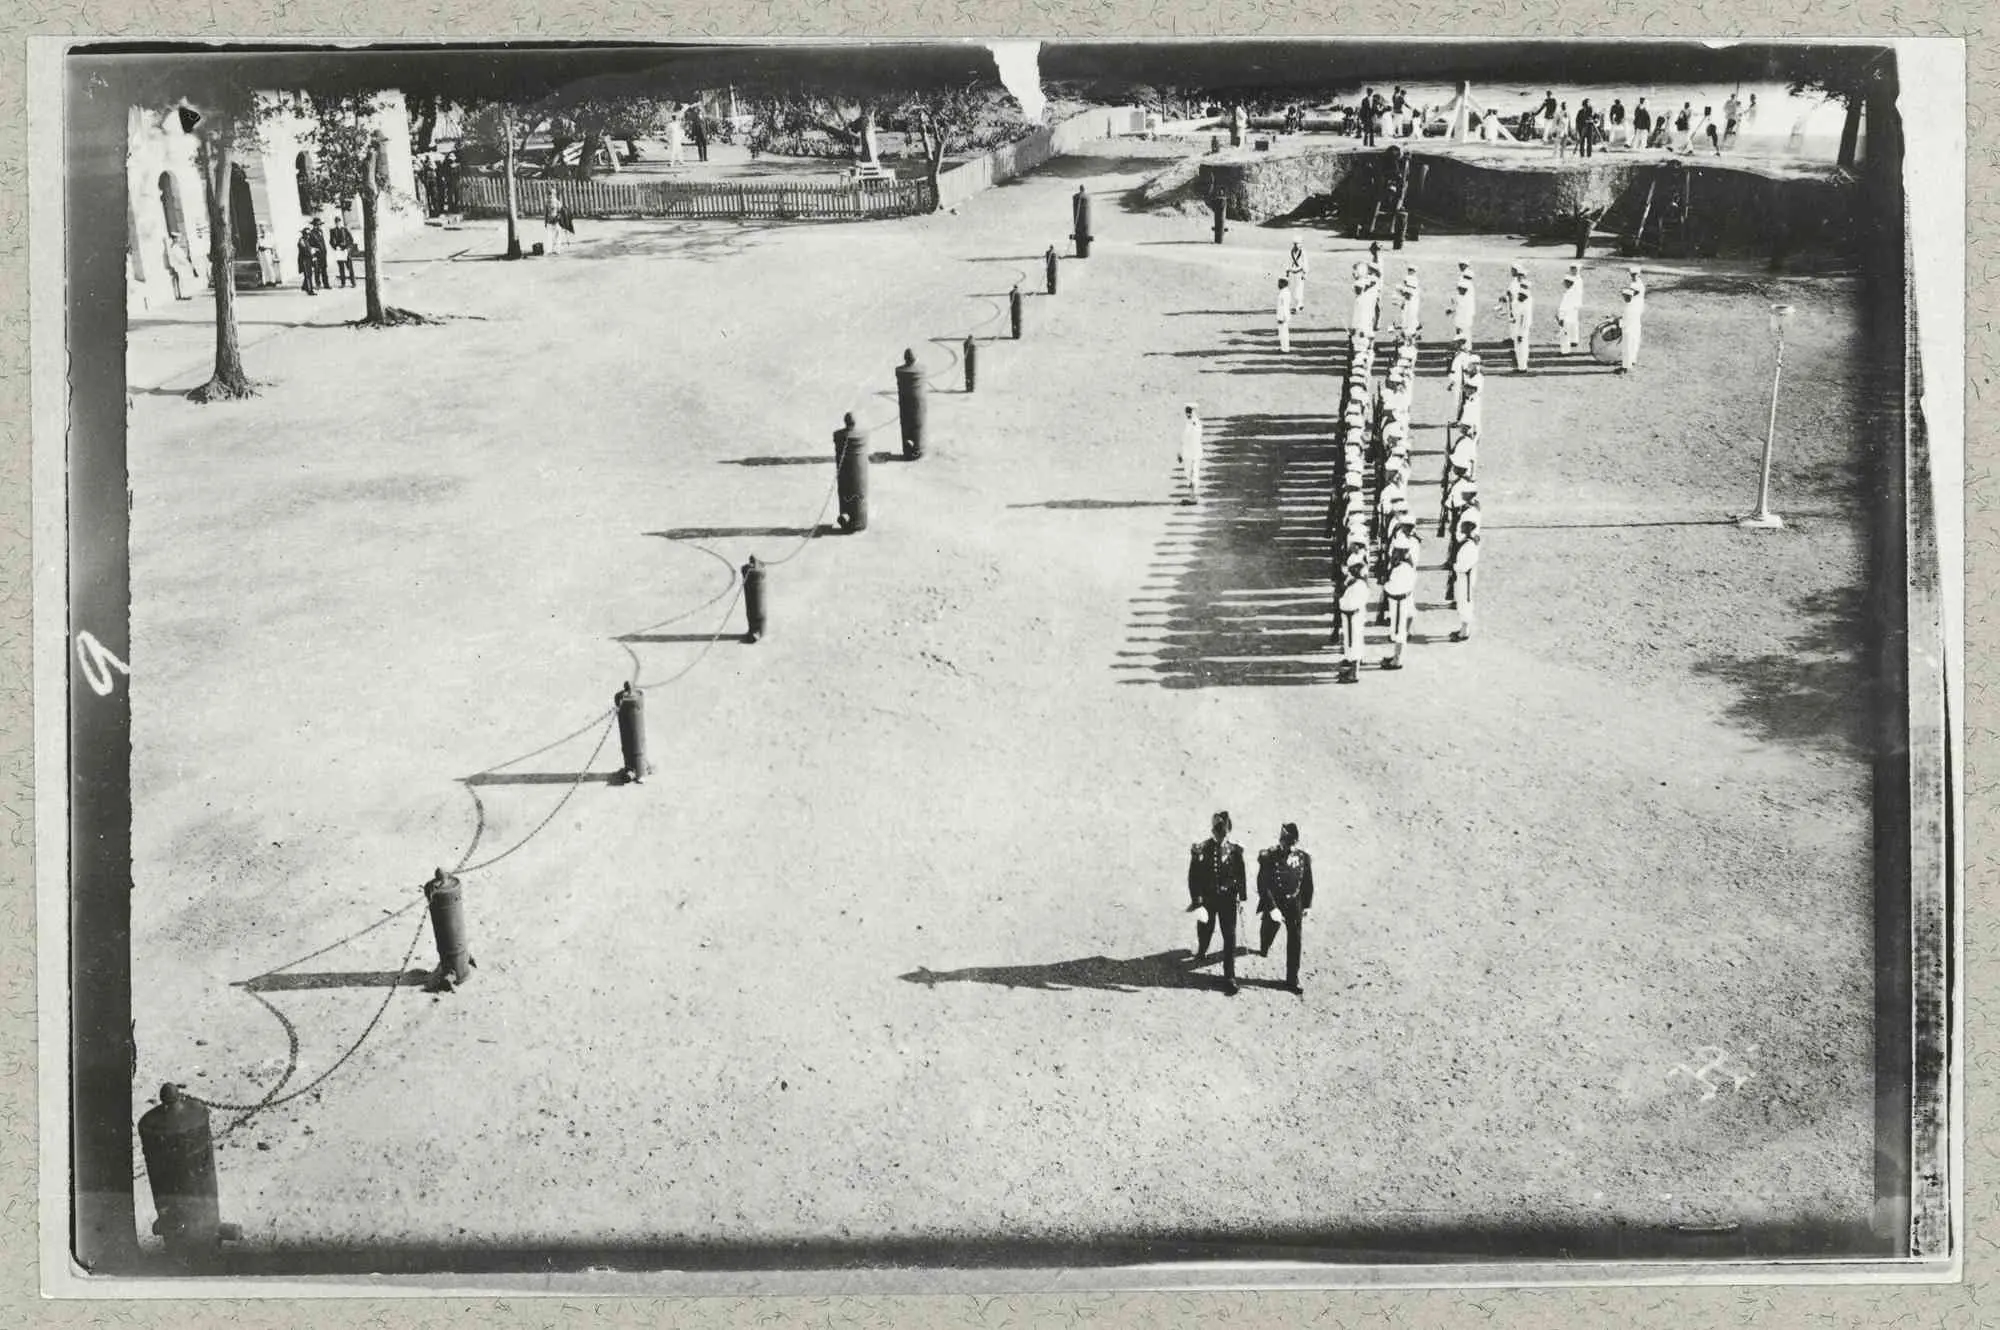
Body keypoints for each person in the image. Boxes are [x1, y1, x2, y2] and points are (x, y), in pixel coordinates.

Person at [1186, 811, 1247, 995]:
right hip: (1209, 899)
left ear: (1229, 832)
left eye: (1224, 833)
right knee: (1206, 928)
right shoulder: (1202, 849)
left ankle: (1230, 976)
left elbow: (1240, 874)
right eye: (1218, 832)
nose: (1221, 837)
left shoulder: (1235, 851)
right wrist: (1197, 902)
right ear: (1213, 831)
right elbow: (1194, 877)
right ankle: (1202, 950)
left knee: (1230, 937)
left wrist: (1242, 897)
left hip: (1228, 900)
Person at [1255, 824, 1315, 994]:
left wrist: (1307, 904)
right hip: (1275, 901)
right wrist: (1272, 908)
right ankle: (1264, 945)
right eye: (1286, 843)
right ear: (1280, 841)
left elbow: (1307, 882)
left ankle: (1292, 979)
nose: (1290, 847)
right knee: (1269, 929)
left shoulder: (1303, 857)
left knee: (1295, 940)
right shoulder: (1269, 856)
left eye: (1292, 843)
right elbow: (1263, 884)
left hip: (1294, 903)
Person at [1449, 510, 1482, 642]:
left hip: (1465, 578)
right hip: (1462, 577)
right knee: (1461, 602)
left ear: (1469, 527)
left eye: (1463, 524)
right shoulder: (1467, 541)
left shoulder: (1469, 545)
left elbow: (1464, 565)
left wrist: (1455, 567)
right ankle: (1463, 629)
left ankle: (1464, 632)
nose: (1461, 526)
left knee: (1465, 603)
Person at [1178, 402, 1204, 504]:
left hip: (1194, 453)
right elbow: (1183, 439)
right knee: (1188, 475)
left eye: (1190, 411)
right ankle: (1192, 496)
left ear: (1194, 411)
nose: (1188, 413)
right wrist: (1181, 453)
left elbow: (1193, 439)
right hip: (1188, 453)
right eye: (1187, 411)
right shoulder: (1188, 423)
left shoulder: (1195, 424)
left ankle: (1193, 497)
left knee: (1193, 475)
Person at [1616, 282, 1643, 373]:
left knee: (1626, 349)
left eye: (1625, 296)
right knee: (1633, 346)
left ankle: (1625, 367)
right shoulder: (1637, 304)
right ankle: (1632, 361)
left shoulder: (1628, 308)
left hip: (1628, 330)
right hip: (1636, 328)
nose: (1624, 298)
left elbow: (1625, 322)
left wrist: (1617, 322)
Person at [1555, 264, 1583, 354]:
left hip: (1566, 316)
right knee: (1569, 330)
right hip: (1570, 314)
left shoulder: (1568, 294)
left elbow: (1564, 307)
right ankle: (1570, 345)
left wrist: (1561, 317)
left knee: (1564, 334)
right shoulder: (1571, 292)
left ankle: (1565, 351)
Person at [329, 215, 358, 288]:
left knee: (350, 267)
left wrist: (347, 248)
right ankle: (343, 283)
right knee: (341, 268)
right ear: (335, 223)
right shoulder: (332, 231)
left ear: (340, 222)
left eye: (339, 222)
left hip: (345, 251)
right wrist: (335, 247)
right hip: (339, 252)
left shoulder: (345, 229)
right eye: (336, 222)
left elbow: (351, 240)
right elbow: (331, 241)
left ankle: (353, 283)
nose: (338, 223)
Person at [1451, 265, 1476, 344]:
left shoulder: (1465, 284)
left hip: (1464, 311)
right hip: (1466, 311)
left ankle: (1464, 345)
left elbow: (1460, 294)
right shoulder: (1470, 285)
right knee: (1465, 329)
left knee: (1462, 328)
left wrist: (1454, 305)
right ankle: (1466, 345)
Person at [307, 217, 330, 291]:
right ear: (315, 225)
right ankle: (318, 284)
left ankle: (326, 284)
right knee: (317, 269)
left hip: (323, 253)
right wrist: (314, 250)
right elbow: (309, 245)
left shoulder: (321, 232)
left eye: (320, 224)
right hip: (316, 254)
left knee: (324, 269)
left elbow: (322, 243)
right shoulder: (311, 233)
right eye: (319, 225)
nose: (320, 226)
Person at [1285, 241, 1309, 312]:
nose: (1296, 246)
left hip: (1299, 273)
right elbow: (1287, 262)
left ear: (1300, 245)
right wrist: (1287, 271)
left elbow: (1305, 263)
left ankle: (1298, 305)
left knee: (1299, 289)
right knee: (1293, 289)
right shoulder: (1291, 252)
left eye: (1298, 244)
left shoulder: (1303, 253)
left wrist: (1305, 273)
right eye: (1295, 244)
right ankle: (1300, 304)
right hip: (1292, 273)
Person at [544, 187, 567, 254]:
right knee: (549, 236)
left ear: (554, 195)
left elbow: (561, 212)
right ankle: (549, 249)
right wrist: (545, 222)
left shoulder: (557, 202)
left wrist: (558, 218)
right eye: (549, 194)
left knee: (558, 236)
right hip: (549, 221)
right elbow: (545, 213)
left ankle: (557, 249)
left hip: (557, 221)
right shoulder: (547, 203)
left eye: (551, 194)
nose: (550, 196)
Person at [296, 225, 318, 296]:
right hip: (304, 260)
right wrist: (312, 254)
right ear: (304, 234)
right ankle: (310, 290)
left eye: (309, 234)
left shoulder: (306, 240)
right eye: (307, 234)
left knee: (309, 274)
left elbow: (308, 248)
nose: (308, 236)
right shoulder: (301, 241)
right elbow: (305, 251)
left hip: (308, 259)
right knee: (308, 275)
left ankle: (304, 286)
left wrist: (312, 249)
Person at [1275, 277, 1293, 353]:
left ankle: (1285, 349)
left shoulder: (1284, 293)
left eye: (1279, 283)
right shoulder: (1285, 291)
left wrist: (1283, 318)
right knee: (1283, 333)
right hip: (1283, 316)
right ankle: (1284, 348)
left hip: (1283, 317)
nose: (1278, 285)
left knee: (1283, 334)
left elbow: (1285, 307)